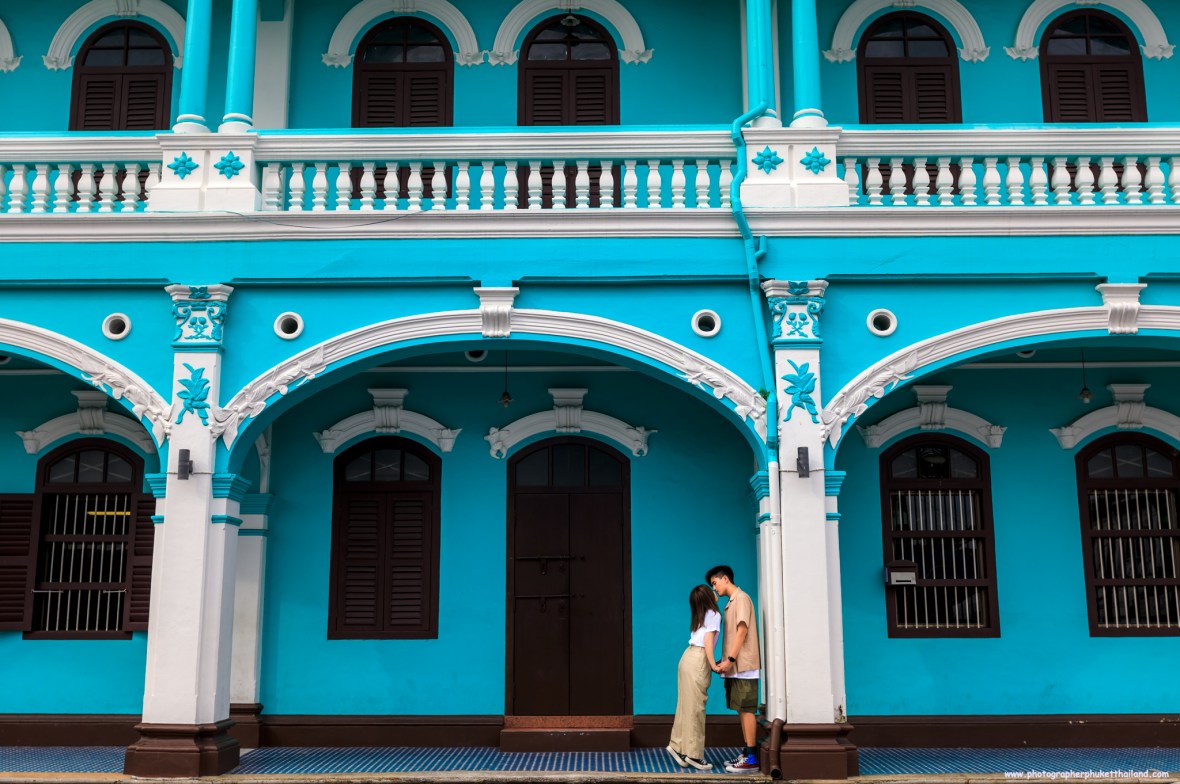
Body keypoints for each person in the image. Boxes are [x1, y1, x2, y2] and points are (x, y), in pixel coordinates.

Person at [706, 564, 761, 774]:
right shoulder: (731, 602)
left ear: (725, 578)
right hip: (736, 665)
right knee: (741, 708)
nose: (714, 588)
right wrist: (726, 660)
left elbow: (742, 631)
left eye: (715, 583)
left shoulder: (742, 599)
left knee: (746, 709)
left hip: (744, 664)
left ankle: (752, 758)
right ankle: (747, 752)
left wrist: (729, 659)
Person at [666, 584, 721, 771]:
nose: (715, 590)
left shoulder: (700, 615)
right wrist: (714, 665)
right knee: (696, 708)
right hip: (698, 659)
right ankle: (695, 756)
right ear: (708, 597)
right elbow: (708, 642)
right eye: (711, 588)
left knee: (685, 706)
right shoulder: (714, 614)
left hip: (686, 658)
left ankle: (678, 747)